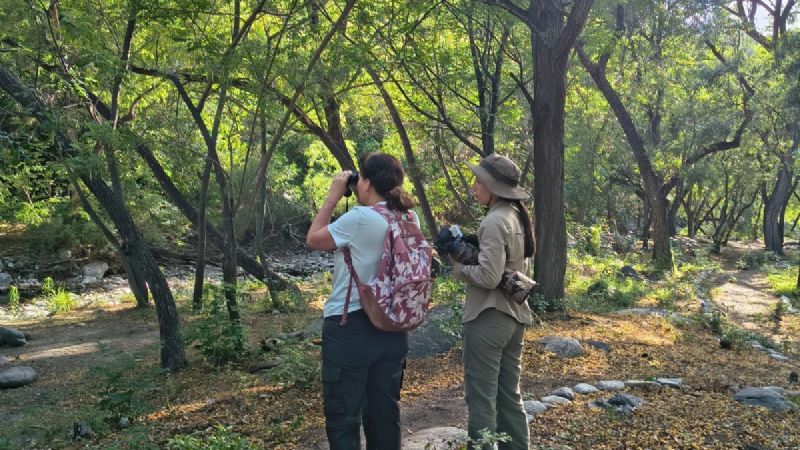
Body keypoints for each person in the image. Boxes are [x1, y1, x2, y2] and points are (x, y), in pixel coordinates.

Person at [306, 152, 420, 450]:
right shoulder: (409, 216)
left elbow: (314, 239)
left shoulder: (359, 218)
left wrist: (333, 196)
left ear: (366, 182)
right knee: (384, 415)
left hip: (351, 328)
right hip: (393, 327)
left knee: (343, 417)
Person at [451, 154, 535, 450]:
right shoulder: (514, 215)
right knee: (509, 397)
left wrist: (458, 265)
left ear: (493, 186)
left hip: (488, 317)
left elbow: (488, 276)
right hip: (514, 318)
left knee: (482, 400)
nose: (474, 187)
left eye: (478, 181)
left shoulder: (494, 220)